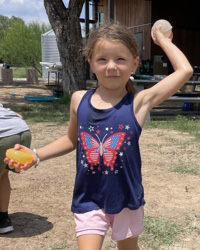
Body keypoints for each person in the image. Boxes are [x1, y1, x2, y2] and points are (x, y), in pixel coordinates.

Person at [5, 23, 193, 249]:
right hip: (89, 198)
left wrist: (163, 41)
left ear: (134, 63)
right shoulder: (78, 100)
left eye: (120, 59)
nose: (111, 66)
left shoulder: (139, 103)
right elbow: (70, 140)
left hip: (126, 199)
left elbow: (185, 71)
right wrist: (36, 154)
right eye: (102, 59)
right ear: (91, 63)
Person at [0, 103, 31, 234]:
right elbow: (19, 116)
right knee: (2, 175)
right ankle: (3, 220)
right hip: (21, 130)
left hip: (3, 135)